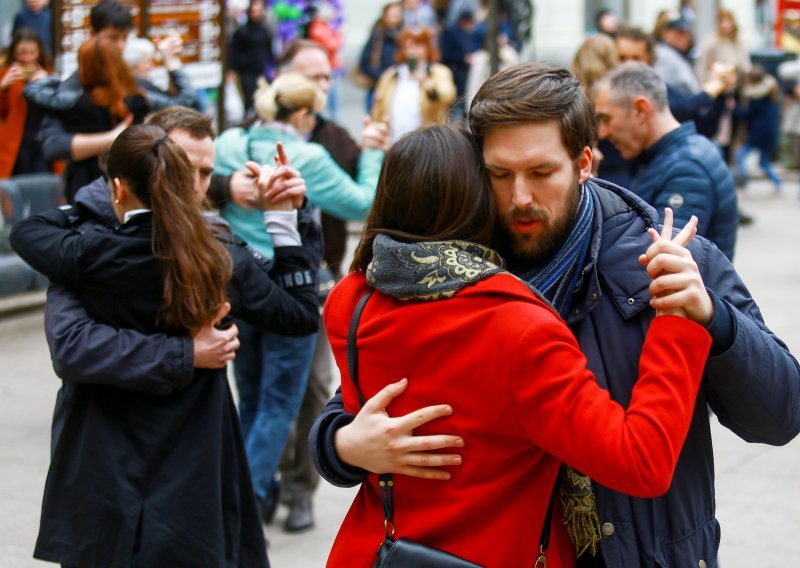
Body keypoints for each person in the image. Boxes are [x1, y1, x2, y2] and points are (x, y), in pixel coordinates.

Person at [310, 63, 800, 567]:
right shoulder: (454, 266)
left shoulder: (673, 261)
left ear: (584, 162)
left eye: (541, 173)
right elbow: (361, 391)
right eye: (500, 175)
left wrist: (712, 319)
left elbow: (782, 414)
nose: (520, 197)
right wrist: (342, 446)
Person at [10, 120, 316, 566]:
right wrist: (286, 222)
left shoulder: (82, 252)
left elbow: (27, 231)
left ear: (118, 188)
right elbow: (298, 313)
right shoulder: (217, 257)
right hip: (192, 464)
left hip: (102, 463)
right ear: (178, 179)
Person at [213, 70, 385, 526]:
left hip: (239, 286)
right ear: (304, 114)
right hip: (290, 290)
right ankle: (240, 503)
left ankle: (255, 491)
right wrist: (371, 151)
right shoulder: (305, 156)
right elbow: (364, 202)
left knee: (250, 399)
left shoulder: (229, 142)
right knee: (280, 403)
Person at [23, 0, 198, 202]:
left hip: (133, 189)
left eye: (125, 38)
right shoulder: (73, 93)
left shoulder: (135, 91)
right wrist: (113, 137)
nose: (120, 46)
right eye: (112, 38)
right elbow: (53, 145)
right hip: (88, 192)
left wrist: (172, 63)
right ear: (93, 36)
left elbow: (184, 107)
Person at [593, 62, 738, 261]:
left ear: (641, 110)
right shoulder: (674, 157)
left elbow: (659, 263)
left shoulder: (686, 169)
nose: (602, 132)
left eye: (607, 119)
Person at [371, 26, 456, 141]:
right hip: (393, 139)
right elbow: (378, 107)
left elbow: (447, 96)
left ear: (427, 48)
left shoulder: (438, 72)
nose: (413, 50)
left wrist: (426, 82)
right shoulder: (391, 75)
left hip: (427, 142)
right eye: (408, 46)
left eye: (418, 45)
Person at [0, 27, 51, 177]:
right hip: (17, 142)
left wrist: (47, 83)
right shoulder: (6, 74)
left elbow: (58, 108)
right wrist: (3, 86)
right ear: (14, 53)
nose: (27, 58)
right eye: (22, 52)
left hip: (42, 140)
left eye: (32, 52)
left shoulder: (47, 73)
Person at [734, 65, 782, 192]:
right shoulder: (771, 93)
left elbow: (746, 115)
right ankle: (777, 182)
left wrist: (733, 108)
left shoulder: (757, 97)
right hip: (770, 134)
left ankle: (744, 180)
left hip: (758, 134)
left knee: (739, 156)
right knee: (763, 162)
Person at [230, 0, 274, 115]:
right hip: (246, 72)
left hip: (260, 70)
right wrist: (232, 69)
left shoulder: (264, 30)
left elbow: (269, 50)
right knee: (248, 101)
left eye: (258, 12)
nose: (256, 14)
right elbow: (234, 51)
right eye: (254, 12)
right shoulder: (241, 32)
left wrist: (273, 66)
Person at [357, 2, 403, 111]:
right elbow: (365, 61)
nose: (394, 19)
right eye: (392, 15)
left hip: (398, 86)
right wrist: (382, 76)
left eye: (397, 15)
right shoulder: (377, 36)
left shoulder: (404, 37)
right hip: (377, 86)